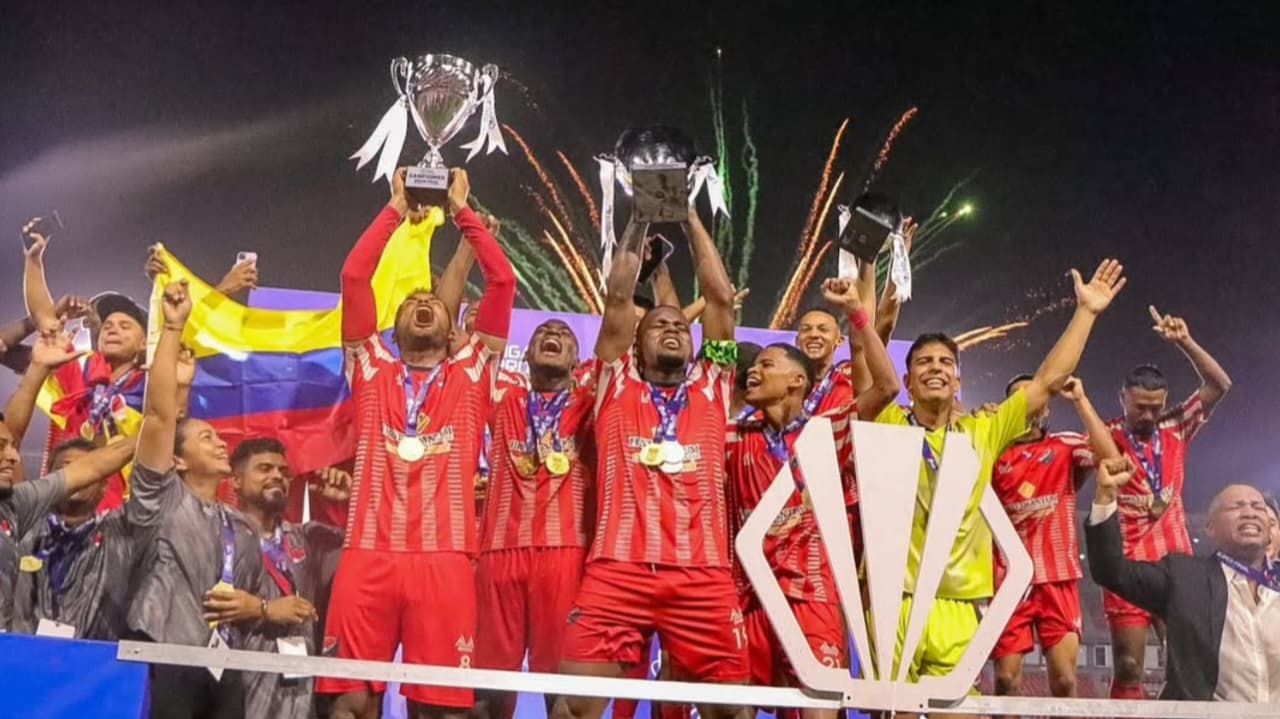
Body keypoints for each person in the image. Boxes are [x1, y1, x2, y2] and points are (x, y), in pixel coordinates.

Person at [874, 259, 1126, 717]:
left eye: (946, 362)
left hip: (960, 601)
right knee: (896, 714)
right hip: (896, 596)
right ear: (906, 381)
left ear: (958, 381)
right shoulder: (886, 421)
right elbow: (867, 350)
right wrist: (874, 278)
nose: (935, 368)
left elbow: (1047, 381)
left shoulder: (984, 430)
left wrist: (1086, 313)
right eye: (924, 362)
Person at [318, 167, 515, 719]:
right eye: (409, 304)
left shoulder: (474, 369)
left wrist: (462, 211)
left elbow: (502, 283)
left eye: (433, 303)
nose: (422, 304)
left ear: (452, 329)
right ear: (394, 327)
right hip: (366, 555)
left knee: (441, 710)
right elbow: (354, 277)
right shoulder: (369, 364)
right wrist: (396, 207)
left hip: (444, 559)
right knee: (349, 704)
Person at [551, 204, 748, 719]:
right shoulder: (615, 380)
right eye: (659, 325)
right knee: (571, 708)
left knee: (733, 713)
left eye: (680, 325)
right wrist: (640, 217)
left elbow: (721, 300)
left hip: (702, 575)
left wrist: (688, 216)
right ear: (635, 344)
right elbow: (618, 297)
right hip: (617, 574)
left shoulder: (714, 383)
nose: (673, 329)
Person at [727, 277, 899, 719]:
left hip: (812, 592)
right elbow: (707, 364)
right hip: (747, 592)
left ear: (797, 380)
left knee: (818, 710)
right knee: (734, 709)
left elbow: (886, 387)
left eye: (767, 364)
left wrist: (857, 312)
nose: (754, 371)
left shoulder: (825, 432)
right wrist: (720, 312)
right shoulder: (732, 435)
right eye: (753, 365)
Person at [125, 279, 266, 719]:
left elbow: (253, 597)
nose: (221, 444)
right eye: (207, 438)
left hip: (226, 665)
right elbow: (158, 416)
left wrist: (256, 608)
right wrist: (173, 329)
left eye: (219, 437)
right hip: (166, 654)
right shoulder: (159, 497)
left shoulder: (241, 526)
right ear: (178, 460)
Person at [1102, 305, 1232, 700]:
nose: (1148, 414)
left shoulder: (1175, 426)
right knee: (1129, 667)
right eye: (1139, 406)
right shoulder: (1106, 434)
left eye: (1155, 406)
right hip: (1128, 564)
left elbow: (1219, 385)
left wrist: (1185, 342)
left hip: (1175, 565)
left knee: (1186, 664)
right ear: (1122, 398)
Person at [474, 319, 595, 719]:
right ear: (524, 355)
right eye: (542, 332)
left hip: (565, 556)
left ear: (577, 361)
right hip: (498, 554)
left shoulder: (590, 402)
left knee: (562, 695)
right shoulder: (504, 398)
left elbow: (623, 333)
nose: (552, 335)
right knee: (486, 694)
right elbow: (474, 346)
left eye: (563, 334)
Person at [7, 327, 160, 639]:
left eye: (84, 471)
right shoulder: (21, 518)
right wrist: (37, 369)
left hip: (96, 663)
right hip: (16, 658)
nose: (76, 477)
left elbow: (137, 464)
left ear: (103, 486)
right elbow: (9, 438)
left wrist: (161, 422)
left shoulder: (123, 531)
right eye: (65, 469)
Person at [1086, 460, 1280, 702]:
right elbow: (1111, 571)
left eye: (1258, 506)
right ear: (1210, 528)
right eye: (1236, 507)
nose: (1250, 512)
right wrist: (1105, 497)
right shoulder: (1185, 578)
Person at [989, 376, 1120, 708]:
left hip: (1057, 576)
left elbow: (1113, 459)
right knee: (1005, 680)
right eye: (1019, 397)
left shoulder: (1065, 445)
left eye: (1036, 395)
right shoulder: (992, 448)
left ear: (1047, 407)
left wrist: (1080, 400)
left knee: (1064, 680)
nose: (1029, 401)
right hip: (1008, 579)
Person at [232, 437, 348, 719]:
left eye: (283, 472)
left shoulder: (308, 538)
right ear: (236, 481)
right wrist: (265, 609)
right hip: (237, 688)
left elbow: (365, 554)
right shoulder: (219, 532)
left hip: (299, 695)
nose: (276, 476)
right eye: (264, 468)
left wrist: (350, 503)